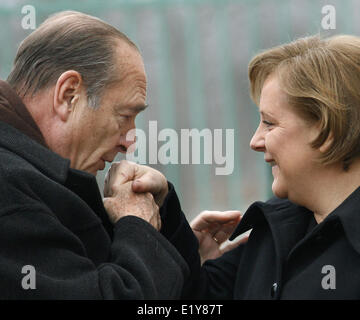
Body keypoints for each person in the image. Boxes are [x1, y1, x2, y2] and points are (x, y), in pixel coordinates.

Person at [111, 34, 360, 299]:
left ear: (326, 129)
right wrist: (186, 251)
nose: (255, 141)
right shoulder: (274, 232)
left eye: (270, 123)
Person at [0, 10, 193, 299]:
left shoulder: (28, 177)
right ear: (68, 95)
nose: (130, 142)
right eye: (125, 115)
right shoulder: (11, 191)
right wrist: (140, 229)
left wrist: (166, 222)